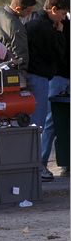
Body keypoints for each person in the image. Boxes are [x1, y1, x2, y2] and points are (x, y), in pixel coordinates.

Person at [25, 0, 69, 181]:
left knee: (51, 121)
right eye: (62, 13)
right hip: (53, 78)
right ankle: (40, 163)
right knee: (47, 122)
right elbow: (58, 53)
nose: (64, 17)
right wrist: (59, 33)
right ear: (53, 9)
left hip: (53, 77)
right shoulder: (49, 27)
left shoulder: (43, 24)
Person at [0, 0, 37, 85]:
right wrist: (22, 77)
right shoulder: (16, 25)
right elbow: (21, 56)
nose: (29, 14)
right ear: (18, 8)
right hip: (5, 73)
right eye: (28, 11)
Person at [41, 13, 70, 179]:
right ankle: (42, 161)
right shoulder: (56, 23)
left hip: (61, 76)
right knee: (51, 121)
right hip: (58, 77)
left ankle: (67, 162)